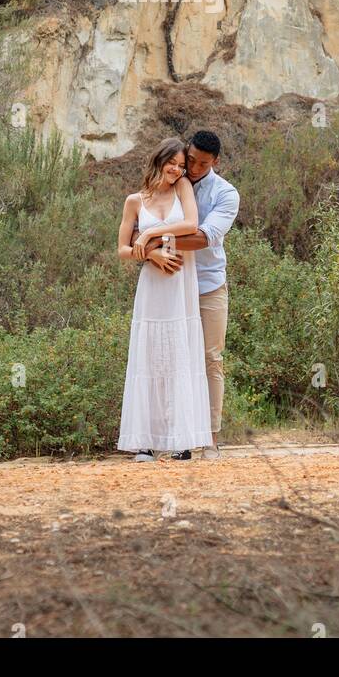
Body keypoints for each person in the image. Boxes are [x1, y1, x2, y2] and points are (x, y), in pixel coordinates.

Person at [135, 129, 240, 461]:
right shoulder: (169, 179)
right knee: (165, 355)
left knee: (210, 359)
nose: (192, 168)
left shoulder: (226, 194)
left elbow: (203, 238)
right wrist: (150, 247)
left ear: (215, 162)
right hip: (170, 283)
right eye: (189, 160)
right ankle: (165, 435)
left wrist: (152, 241)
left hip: (207, 285)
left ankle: (209, 438)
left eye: (201, 163)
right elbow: (137, 224)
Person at [117, 137, 212, 460]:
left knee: (179, 351)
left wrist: (149, 234)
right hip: (153, 283)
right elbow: (121, 250)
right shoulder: (134, 201)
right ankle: (144, 442)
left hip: (180, 283)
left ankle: (181, 440)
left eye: (182, 166)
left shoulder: (182, 188)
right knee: (149, 355)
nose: (177, 170)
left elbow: (191, 224)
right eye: (173, 163)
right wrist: (152, 254)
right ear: (159, 160)